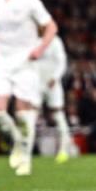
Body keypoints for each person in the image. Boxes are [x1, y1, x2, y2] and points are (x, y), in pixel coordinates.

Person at [0, 0, 58, 176]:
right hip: (2, 65)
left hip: (26, 65)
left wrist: (40, 49)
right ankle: (18, 142)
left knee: (24, 114)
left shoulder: (29, 0)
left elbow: (51, 26)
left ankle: (25, 159)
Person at [35, 34, 74, 163]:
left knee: (58, 115)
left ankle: (64, 150)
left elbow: (61, 61)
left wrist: (55, 77)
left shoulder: (55, 40)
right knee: (30, 115)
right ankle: (26, 151)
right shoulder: (30, 38)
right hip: (35, 84)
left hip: (52, 84)